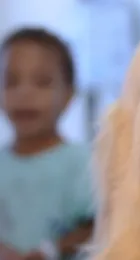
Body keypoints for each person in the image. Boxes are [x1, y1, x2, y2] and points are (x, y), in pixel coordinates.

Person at [0, 28, 94, 260]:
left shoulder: (85, 164)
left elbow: (100, 226)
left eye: (42, 82)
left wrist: (51, 250)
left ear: (68, 95)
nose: (24, 93)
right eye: (11, 82)